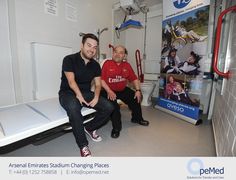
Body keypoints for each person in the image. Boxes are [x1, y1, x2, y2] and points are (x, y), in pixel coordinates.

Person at [58, 33, 113, 157]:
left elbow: (98, 85)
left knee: (109, 107)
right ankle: (83, 145)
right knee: (74, 108)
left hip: (86, 92)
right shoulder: (69, 59)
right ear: (82, 45)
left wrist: (96, 97)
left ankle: (89, 127)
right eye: (89, 45)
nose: (92, 49)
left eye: (95, 47)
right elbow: (71, 82)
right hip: (68, 92)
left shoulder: (95, 65)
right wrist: (79, 97)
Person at [101, 45, 149, 139]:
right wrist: (109, 91)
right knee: (114, 106)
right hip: (108, 90)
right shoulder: (107, 64)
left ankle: (137, 118)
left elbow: (134, 78)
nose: (117, 54)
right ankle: (116, 128)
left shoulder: (127, 65)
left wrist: (138, 90)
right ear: (113, 53)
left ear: (125, 56)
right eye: (115, 51)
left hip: (122, 89)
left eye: (121, 52)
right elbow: (101, 80)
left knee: (135, 97)